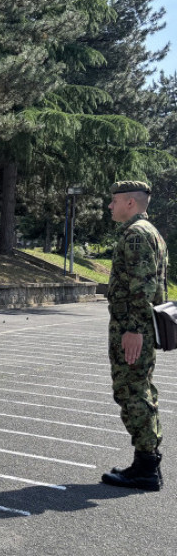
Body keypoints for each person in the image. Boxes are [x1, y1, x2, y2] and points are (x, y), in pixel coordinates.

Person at [101, 180, 168, 491]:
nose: (110, 206)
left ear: (130, 202)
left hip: (133, 327)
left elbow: (142, 288)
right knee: (140, 390)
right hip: (137, 325)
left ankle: (145, 468)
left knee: (132, 392)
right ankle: (147, 462)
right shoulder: (149, 231)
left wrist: (133, 330)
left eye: (114, 201)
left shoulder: (137, 234)